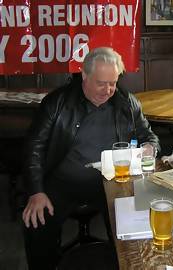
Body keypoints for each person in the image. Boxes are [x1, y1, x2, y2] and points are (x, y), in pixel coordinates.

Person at [22, 47, 160, 270]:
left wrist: (149, 147)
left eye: (113, 83)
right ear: (84, 76)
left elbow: (149, 135)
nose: (108, 90)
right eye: (101, 83)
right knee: (36, 223)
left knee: (137, 225)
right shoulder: (57, 102)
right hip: (61, 182)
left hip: (111, 182)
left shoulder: (126, 102)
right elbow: (34, 147)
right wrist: (36, 191)